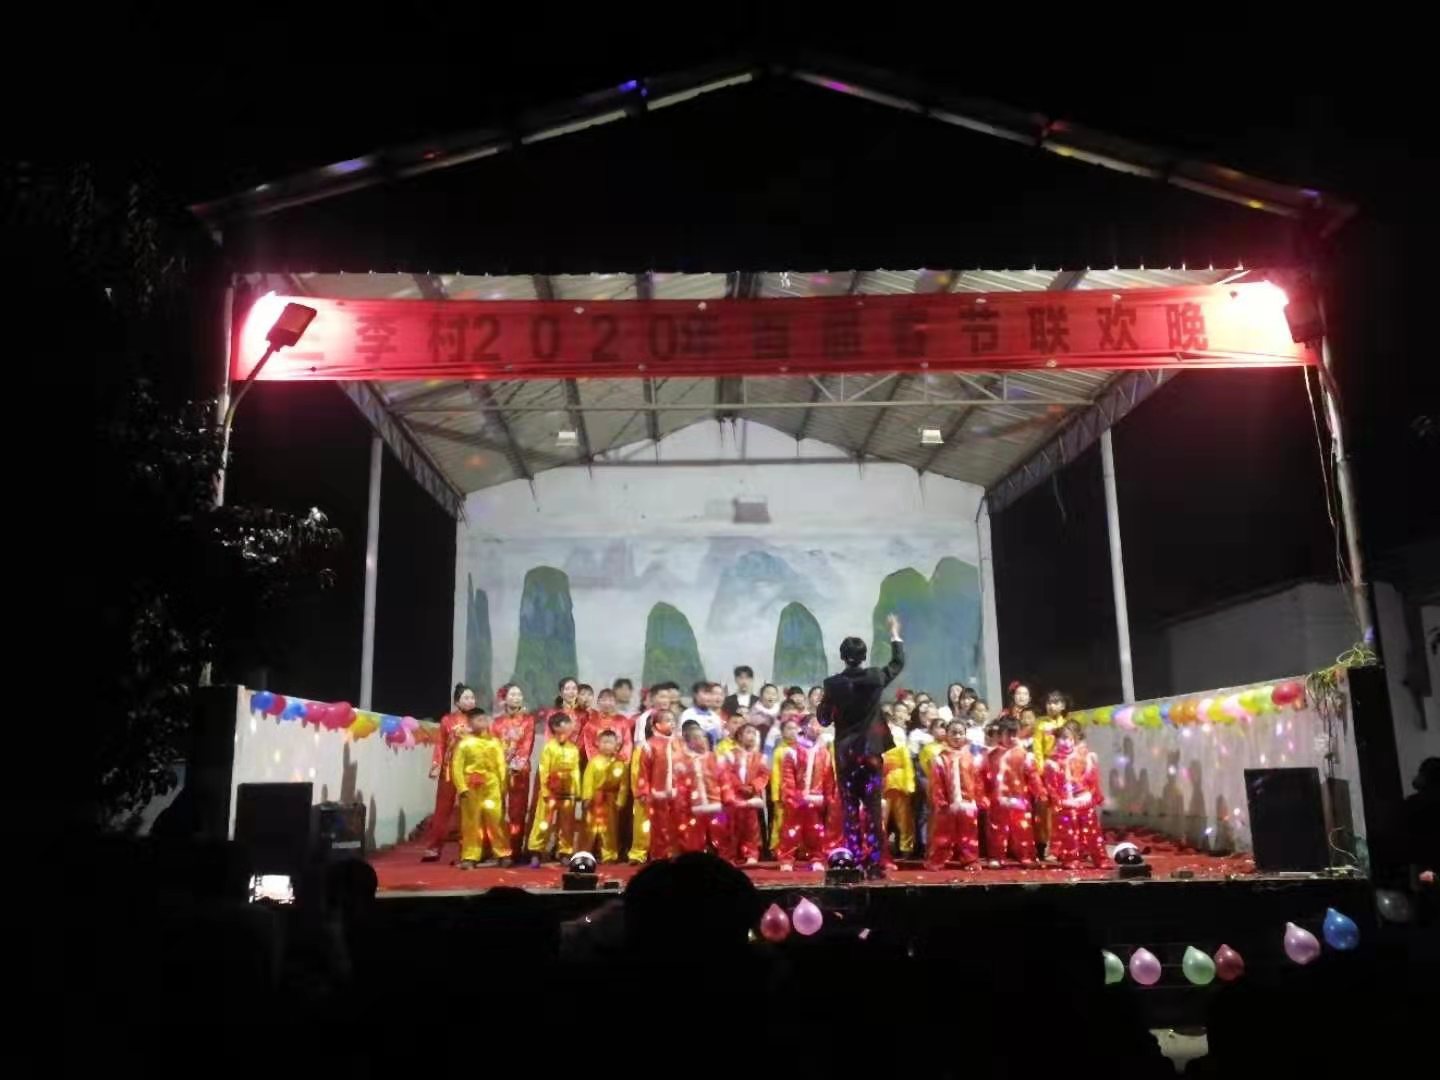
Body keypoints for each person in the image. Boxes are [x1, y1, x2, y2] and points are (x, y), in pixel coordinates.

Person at [820, 614, 905, 877]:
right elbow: (898, 663)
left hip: (846, 757)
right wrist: (894, 633)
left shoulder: (833, 684)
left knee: (850, 811)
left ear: (842, 657)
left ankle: (855, 861)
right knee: (873, 809)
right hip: (870, 755)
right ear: (864, 656)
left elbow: (823, 719)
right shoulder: (876, 677)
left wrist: (830, 704)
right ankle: (876, 865)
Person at [422, 683, 477, 862]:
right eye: (466, 698)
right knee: (442, 810)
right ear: (457, 702)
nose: (470, 701)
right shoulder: (447, 720)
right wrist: (436, 764)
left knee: (468, 811)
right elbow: (440, 744)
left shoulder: (478, 720)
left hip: (470, 771)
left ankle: (467, 850)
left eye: (472, 698)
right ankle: (433, 848)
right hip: (449, 770)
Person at [1043, 720, 1108, 869]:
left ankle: (1100, 858)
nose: (1066, 743)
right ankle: (1071, 859)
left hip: (1084, 801)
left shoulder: (1085, 758)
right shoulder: (1052, 763)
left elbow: (1093, 780)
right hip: (1066, 804)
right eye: (1062, 738)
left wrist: (1096, 796)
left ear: (1075, 740)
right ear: (1056, 740)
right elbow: (1051, 786)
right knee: (1068, 834)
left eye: (1069, 739)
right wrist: (1057, 802)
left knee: (1093, 833)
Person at [451, 708, 511, 868]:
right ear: (470, 723)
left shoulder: (495, 742)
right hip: (471, 787)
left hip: (492, 785)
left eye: (484, 718)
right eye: (478, 719)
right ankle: (470, 856)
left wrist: (503, 786)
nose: (483, 722)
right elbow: (456, 767)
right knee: (472, 823)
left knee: (496, 820)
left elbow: (501, 765)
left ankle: (503, 853)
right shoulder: (464, 744)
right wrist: (462, 788)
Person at [777, 715, 835, 871]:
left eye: (819, 725)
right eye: (813, 724)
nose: (817, 728)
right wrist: (794, 798)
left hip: (816, 800)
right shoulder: (792, 751)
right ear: (804, 728)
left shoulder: (824, 752)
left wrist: (827, 798)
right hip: (797, 800)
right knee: (791, 831)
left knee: (815, 831)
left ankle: (817, 858)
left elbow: (828, 778)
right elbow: (787, 778)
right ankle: (786, 859)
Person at [985, 716, 1045, 867]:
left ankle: (1026, 856)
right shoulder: (992, 755)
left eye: (1014, 734)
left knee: (1022, 829)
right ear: (1000, 734)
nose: (1011, 738)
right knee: (997, 830)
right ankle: (996, 856)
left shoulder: (1024, 754)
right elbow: (984, 777)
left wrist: (1040, 792)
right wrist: (983, 796)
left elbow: (1032, 775)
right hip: (998, 799)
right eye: (1008, 734)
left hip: (1019, 798)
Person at [926, 720, 985, 870]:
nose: (957, 736)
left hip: (968, 803)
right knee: (942, 833)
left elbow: (977, 780)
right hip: (948, 803)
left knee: (969, 834)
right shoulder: (940, 758)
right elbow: (936, 782)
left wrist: (979, 798)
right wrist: (940, 800)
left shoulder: (971, 757)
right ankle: (938, 859)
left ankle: (970, 860)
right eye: (953, 733)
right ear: (947, 734)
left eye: (960, 733)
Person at [527, 712, 582, 865]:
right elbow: (544, 770)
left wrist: (577, 791)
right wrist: (545, 791)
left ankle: (565, 851)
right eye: (567, 723)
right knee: (543, 822)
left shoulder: (573, 749)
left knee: (567, 824)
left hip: (568, 792)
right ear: (556, 727)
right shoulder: (549, 747)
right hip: (550, 791)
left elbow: (576, 771)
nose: (571, 726)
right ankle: (536, 851)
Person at [492, 684, 536, 854]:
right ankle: (499, 848)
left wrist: (515, 765)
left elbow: (527, 745)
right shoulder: (496, 722)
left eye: (519, 694)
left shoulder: (528, 720)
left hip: (520, 771)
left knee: (517, 811)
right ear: (504, 698)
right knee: (497, 809)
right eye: (512, 695)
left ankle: (515, 849)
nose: (516, 698)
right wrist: (500, 764)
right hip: (499, 771)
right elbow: (493, 746)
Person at [635, 705, 682, 861]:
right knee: (659, 825)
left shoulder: (679, 743)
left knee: (676, 824)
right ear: (657, 725)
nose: (672, 723)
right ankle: (659, 856)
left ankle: (675, 854)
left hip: (678, 793)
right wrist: (643, 791)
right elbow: (643, 770)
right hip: (658, 793)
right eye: (667, 720)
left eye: (673, 720)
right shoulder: (650, 745)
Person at [720, 723, 768, 865]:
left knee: (751, 828)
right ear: (740, 736)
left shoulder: (760, 757)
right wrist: (739, 787)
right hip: (734, 797)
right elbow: (726, 774)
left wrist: (753, 787)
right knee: (731, 827)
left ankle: (751, 853)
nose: (752, 736)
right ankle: (729, 855)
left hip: (750, 796)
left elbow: (764, 775)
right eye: (748, 732)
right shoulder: (730, 755)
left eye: (754, 733)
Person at [677, 720, 726, 854]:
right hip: (695, 807)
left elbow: (725, 780)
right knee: (695, 834)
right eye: (696, 738)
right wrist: (684, 805)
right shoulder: (684, 763)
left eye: (703, 737)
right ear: (689, 742)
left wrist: (726, 799)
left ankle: (723, 855)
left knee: (722, 829)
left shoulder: (716, 758)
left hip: (718, 805)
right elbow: (682, 787)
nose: (701, 740)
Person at [581, 729, 629, 863]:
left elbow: (624, 785)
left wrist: (620, 801)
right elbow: (588, 781)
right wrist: (587, 797)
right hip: (595, 799)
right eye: (604, 742)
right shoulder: (594, 762)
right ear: (598, 744)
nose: (607, 745)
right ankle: (585, 853)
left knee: (610, 828)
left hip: (611, 799)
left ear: (616, 745)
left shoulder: (620, 763)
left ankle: (609, 855)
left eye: (610, 743)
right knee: (590, 828)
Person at [881, 717, 917, 864]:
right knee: (881, 820)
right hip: (881, 787)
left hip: (899, 785)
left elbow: (908, 765)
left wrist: (909, 785)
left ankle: (906, 847)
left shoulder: (900, 746)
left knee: (904, 819)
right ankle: (880, 848)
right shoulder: (874, 746)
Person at [767, 712, 802, 855]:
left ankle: (799, 849)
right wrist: (776, 796)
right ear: (782, 732)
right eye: (789, 728)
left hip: (800, 794)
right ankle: (779, 849)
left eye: (795, 728)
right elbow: (775, 775)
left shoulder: (803, 749)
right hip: (784, 794)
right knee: (781, 821)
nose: (792, 731)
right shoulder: (779, 751)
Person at [580, 686, 633, 765]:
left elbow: (627, 743)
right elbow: (589, 747)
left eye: (611, 700)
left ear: (615, 702)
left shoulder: (622, 721)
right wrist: (600, 762)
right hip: (597, 765)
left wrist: (620, 760)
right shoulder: (591, 723)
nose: (607, 703)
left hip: (618, 765)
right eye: (604, 700)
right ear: (598, 702)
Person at [681, 681, 724, 747]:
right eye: (705, 693)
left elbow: (719, 739)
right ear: (695, 695)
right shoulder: (688, 715)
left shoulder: (715, 717)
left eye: (710, 693)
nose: (708, 697)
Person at [749, 683, 782, 750]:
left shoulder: (781, 712)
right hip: (756, 746)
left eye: (773, 694)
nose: (770, 696)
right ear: (761, 696)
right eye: (768, 693)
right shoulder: (754, 711)